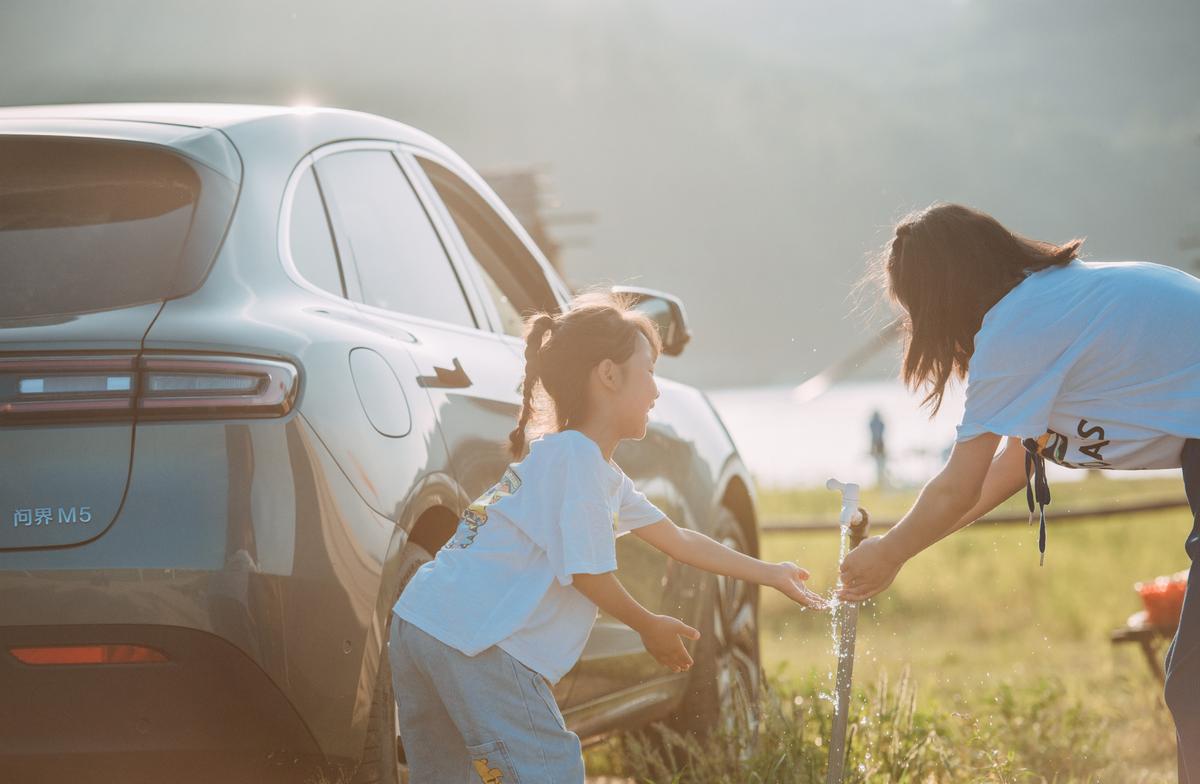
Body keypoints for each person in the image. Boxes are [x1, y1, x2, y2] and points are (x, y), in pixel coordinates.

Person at [389, 291, 826, 783]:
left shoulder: (576, 463)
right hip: (479, 642)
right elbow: (588, 573)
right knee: (550, 770)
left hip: (420, 622)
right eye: (650, 371)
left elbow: (680, 539)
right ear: (609, 375)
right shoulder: (579, 464)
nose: (657, 392)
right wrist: (647, 624)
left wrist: (771, 573)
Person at [837, 203, 1200, 782]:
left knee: (1195, 686)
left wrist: (891, 551)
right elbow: (1008, 467)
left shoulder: (1018, 325)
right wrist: (899, 549)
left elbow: (959, 484)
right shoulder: (1044, 304)